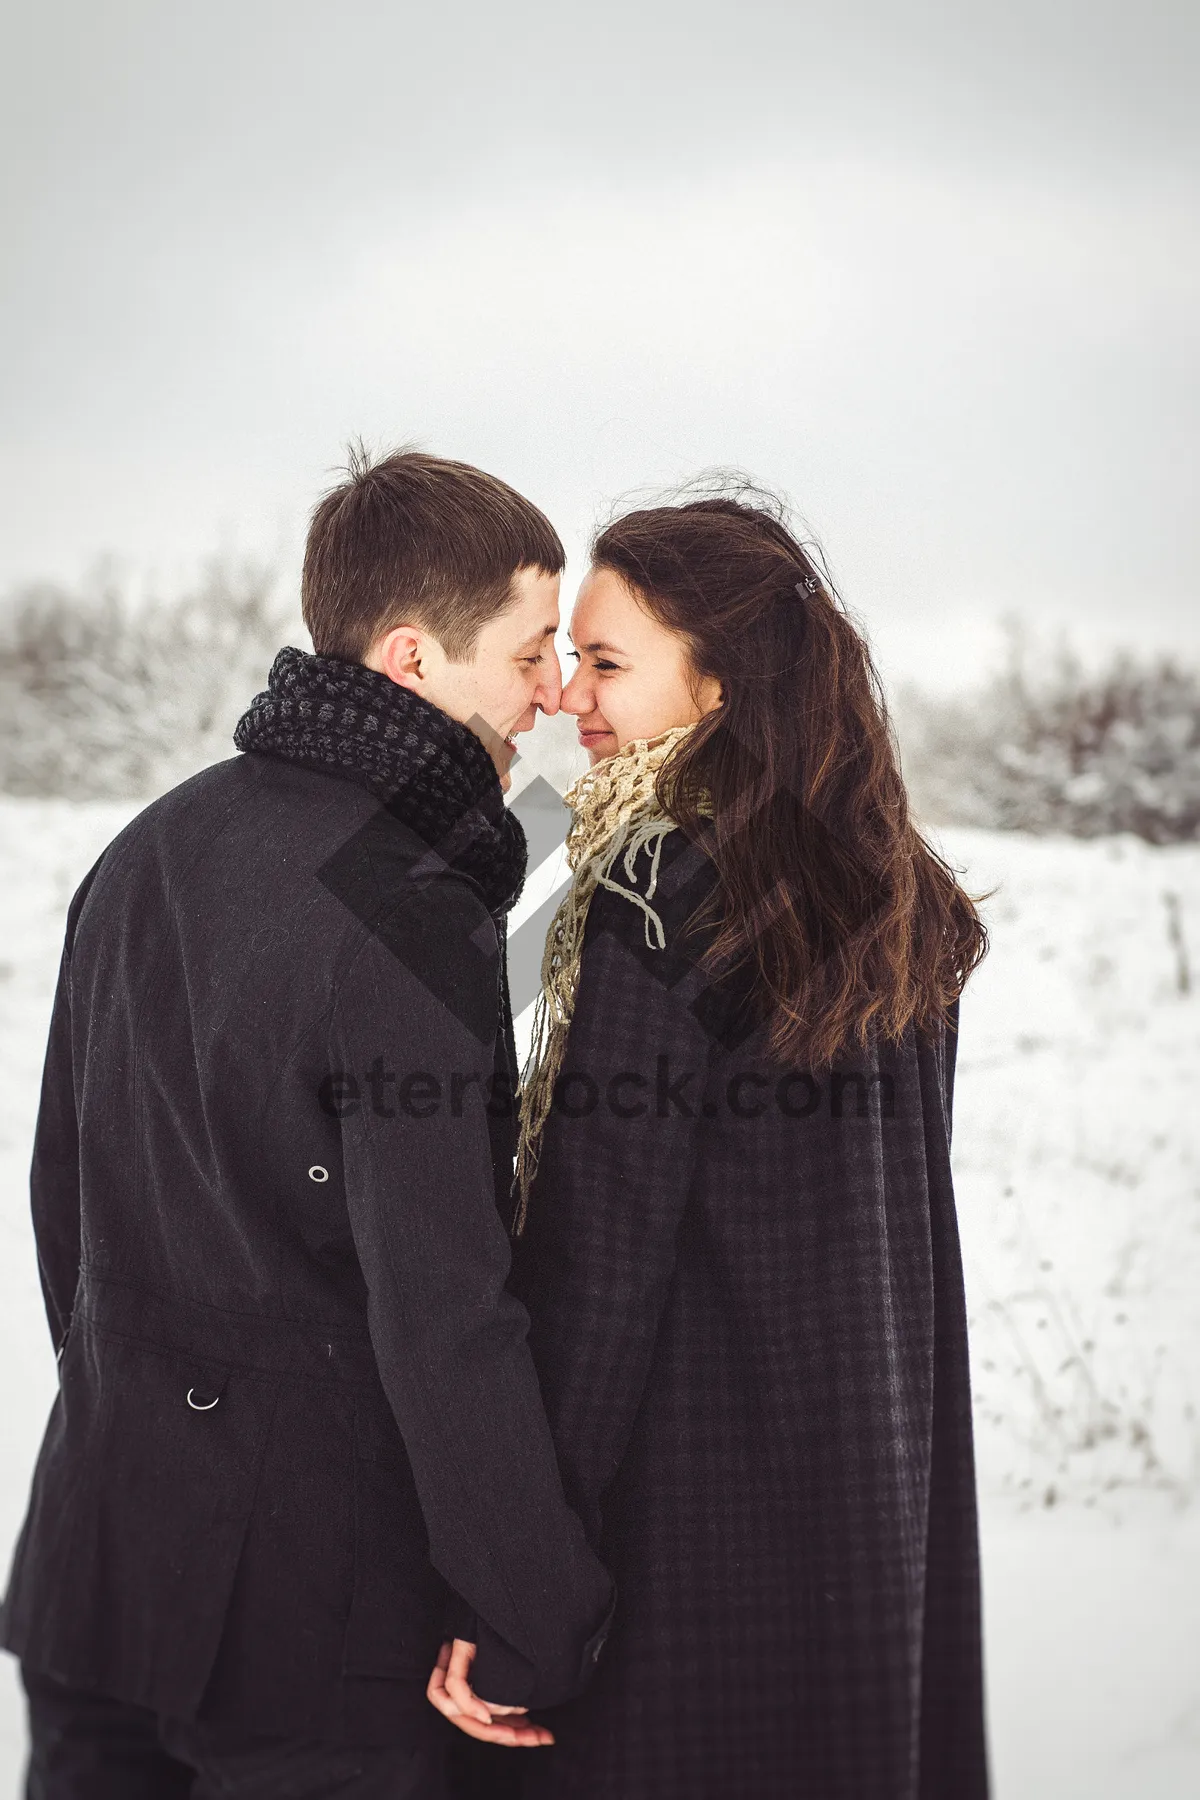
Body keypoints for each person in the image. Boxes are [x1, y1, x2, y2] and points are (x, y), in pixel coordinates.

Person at [0, 447, 613, 1799]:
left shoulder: (146, 845)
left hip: (100, 1563)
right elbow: (445, 1306)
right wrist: (541, 1605)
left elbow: (67, 1211)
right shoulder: (407, 910)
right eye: (527, 653)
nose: (552, 698)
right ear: (411, 658)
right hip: (308, 1630)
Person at [502, 487, 992, 1798]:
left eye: (607, 662)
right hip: (863, 1507)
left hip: (689, 1536)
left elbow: (599, 1277)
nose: (568, 698)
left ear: (717, 687)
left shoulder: (659, 892)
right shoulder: (889, 888)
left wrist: (525, 1574)